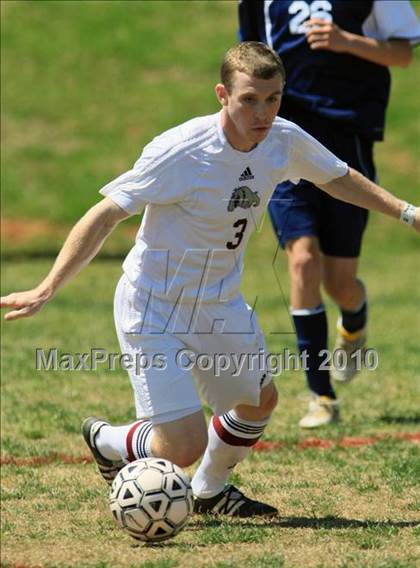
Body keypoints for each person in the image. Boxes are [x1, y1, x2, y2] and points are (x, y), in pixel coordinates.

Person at [1, 42, 419, 517]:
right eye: (249, 99)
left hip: (218, 303)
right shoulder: (181, 151)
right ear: (222, 94)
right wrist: (47, 286)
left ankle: (209, 491)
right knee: (181, 445)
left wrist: (407, 213)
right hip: (154, 304)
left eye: (273, 98)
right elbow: (104, 215)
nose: (262, 112)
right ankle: (108, 440)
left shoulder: (283, 140)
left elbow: (338, 177)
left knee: (259, 402)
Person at [239, 0, 420, 428]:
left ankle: (354, 321)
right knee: (302, 260)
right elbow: (247, 57)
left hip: (345, 136)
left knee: (341, 283)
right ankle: (321, 395)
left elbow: (403, 54)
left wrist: (344, 41)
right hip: (283, 139)